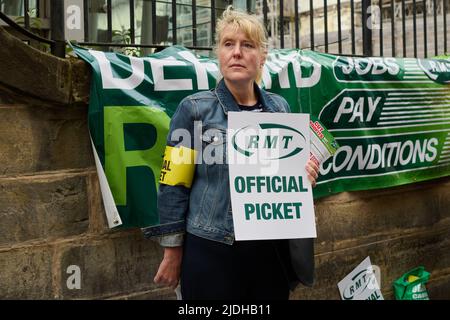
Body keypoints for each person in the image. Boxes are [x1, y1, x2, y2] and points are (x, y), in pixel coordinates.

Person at [143, 6, 319, 300]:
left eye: (247, 45)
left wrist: (302, 178)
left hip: (270, 255)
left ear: (261, 57)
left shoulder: (280, 110)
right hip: (212, 253)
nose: (236, 52)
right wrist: (172, 251)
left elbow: (281, 183)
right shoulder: (193, 110)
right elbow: (173, 184)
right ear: (219, 54)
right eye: (228, 44)